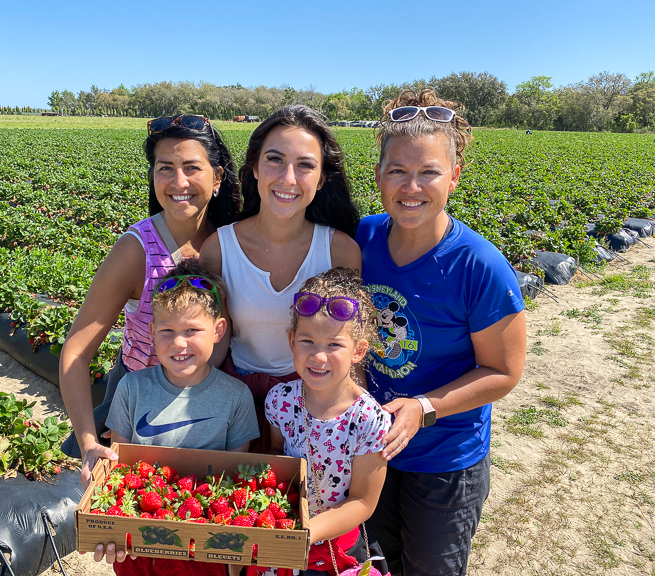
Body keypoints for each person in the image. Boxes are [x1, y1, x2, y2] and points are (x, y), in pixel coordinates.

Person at [357, 90, 527, 576]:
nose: (411, 186)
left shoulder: (480, 266)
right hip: (370, 448)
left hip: (445, 460)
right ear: (378, 175)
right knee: (374, 565)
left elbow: (503, 371)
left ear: (453, 175)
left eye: (429, 171)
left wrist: (424, 407)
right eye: (397, 170)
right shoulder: (361, 239)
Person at [60, 114, 241, 487]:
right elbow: (76, 352)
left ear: (218, 178)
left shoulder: (235, 241)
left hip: (214, 399)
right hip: (139, 405)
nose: (179, 182)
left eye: (192, 167)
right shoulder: (137, 250)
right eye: (165, 168)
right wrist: (89, 442)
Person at [200, 105, 362, 452]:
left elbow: (348, 338)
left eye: (305, 165)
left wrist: (357, 414)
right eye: (275, 159)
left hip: (311, 399)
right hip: (236, 397)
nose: (288, 178)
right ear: (255, 168)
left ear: (321, 180)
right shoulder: (218, 248)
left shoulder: (340, 251)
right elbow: (216, 340)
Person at [91, 260, 259, 576]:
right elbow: (118, 470)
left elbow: (236, 481)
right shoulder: (132, 388)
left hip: (204, 547)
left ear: (218, 330)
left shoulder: (236, 397)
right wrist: (108, 524)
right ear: (152, 332)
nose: (179, 343)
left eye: (192, 330)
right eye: (167, 330)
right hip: (139, 541)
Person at [255, 268, 389, 576]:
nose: (318, 356)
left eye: (334, 345)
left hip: (335, 549)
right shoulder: (280, 400)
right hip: (284, 535)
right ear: (292, 341)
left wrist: (307, 532)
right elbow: (277, 453)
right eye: (308, 341)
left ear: (358, 351)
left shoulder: (369, 418)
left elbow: (362, 502)